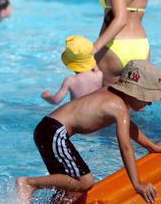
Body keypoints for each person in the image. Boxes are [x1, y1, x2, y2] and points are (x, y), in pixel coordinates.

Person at [17, 59, 161, 203]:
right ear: (135, 93)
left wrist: (151, 146)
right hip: (54, 132)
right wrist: (137, 184)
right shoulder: (119, 107)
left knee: (70, 192)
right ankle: (29, 183)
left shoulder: (110, 92)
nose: (149, 103)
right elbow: (125, 147)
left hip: (48, 129)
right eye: (147, 98)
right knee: (85, 182)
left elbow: (129, 126)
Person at [41, 36, 103, 104]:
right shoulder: (99, 75)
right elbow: (94, 64)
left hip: (77, 112)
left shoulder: (70, 81)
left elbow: (56, 100)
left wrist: (47, 96)